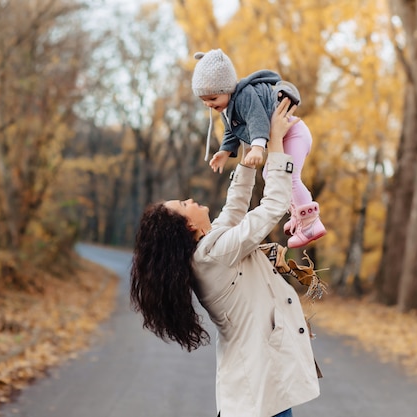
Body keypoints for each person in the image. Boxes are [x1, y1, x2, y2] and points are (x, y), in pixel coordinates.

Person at [130, 98, 321, 417]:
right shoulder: (212, 256)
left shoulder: (208, 247)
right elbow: (272, 206)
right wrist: (274, 143)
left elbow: (234, 209)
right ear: (188, 225)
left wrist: (250, 154)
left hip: (259, 383)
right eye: (183, 203)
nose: (190, 199)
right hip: (257, 389)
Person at [191, 48, 326, 248]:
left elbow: (257, 120)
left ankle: (310, 223)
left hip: (294, 133)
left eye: (212, 99)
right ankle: (299, 215)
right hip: (285, 137)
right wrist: (225, 151)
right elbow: (232, 131)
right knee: (270, 174)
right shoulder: (227, 108)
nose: (209, 105)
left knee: (290, 177)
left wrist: (256, 148)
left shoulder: (245, 96)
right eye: (204, 101)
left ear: (226, 88)